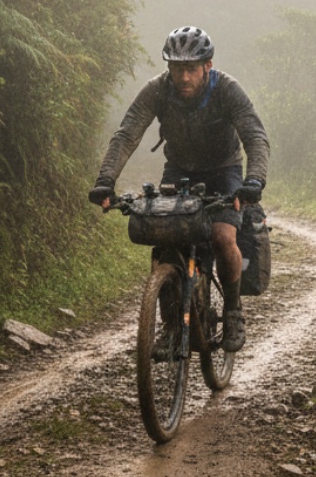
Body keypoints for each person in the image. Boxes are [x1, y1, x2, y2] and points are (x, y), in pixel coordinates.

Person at [89, 26, 269, 352]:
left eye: (191, 69)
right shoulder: (157, 90)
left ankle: (232, 311)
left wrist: (253, 180)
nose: (183, 77)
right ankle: (171, 324)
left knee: (222, 237)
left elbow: (255, 136)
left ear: (207, 66)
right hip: (179, 169)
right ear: (168, 67)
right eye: (176, 68)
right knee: (164, 239)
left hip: (224, 170)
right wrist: (106, 181)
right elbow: (127, 134)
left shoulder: (227, 90)